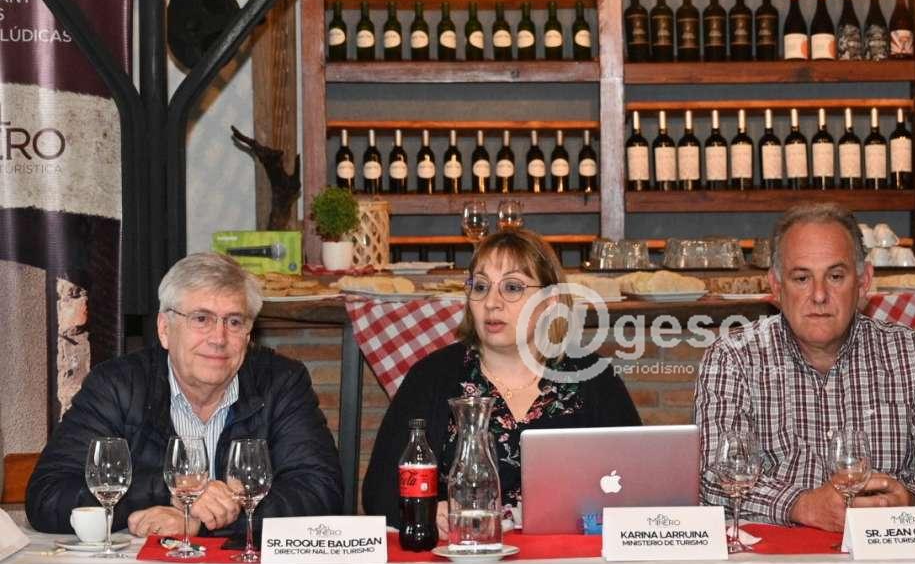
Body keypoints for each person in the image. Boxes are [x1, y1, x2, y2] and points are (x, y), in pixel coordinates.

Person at [694, 203, 915, 532]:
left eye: (835, 276)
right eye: (801, 278)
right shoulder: (732, 358)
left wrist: (909, 501)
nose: (819, 295)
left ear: (863, 282)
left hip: (888, 554)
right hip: (773, 559)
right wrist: (802, 506)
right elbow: (712, 477)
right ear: (775, 286)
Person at [26, 252, 343, 535]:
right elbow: (48, 496)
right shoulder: (117, 386)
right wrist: (171, 490)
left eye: (234, 322)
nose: (218, 338)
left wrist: (206, 521)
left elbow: (322, 493)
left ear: (248, 335)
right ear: (165, 329)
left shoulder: (281, 382)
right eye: (201, 319)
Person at [364, 229, 640, 532]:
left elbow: (641, 483)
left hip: (569, 555)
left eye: (512, 287)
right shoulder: (432, 377)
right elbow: (379, 493)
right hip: (464, 555)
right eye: (481, 286)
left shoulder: (593, 376)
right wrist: (427, 510)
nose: (491, 302)